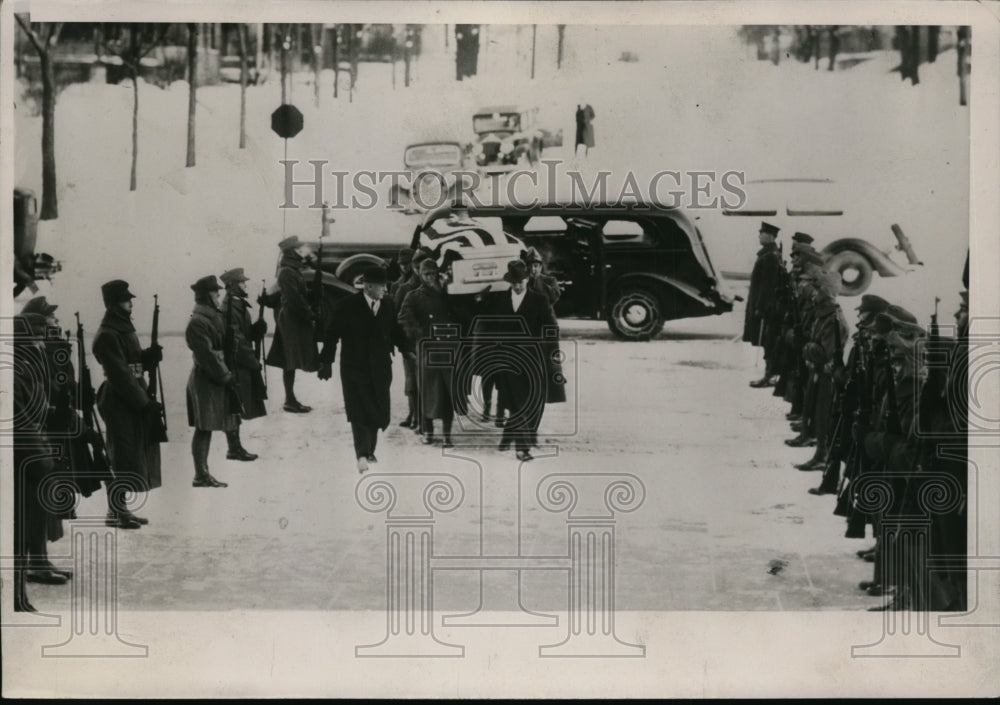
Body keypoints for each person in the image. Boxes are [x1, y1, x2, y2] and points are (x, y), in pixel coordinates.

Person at [319, 266, 413, 473]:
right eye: (382, 286)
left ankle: (369, 450)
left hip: (380, 368)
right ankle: (362, 454)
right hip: (355, 368)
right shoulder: (347, 306)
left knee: (376, 410)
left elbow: (395, 331)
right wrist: (326, 362)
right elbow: (331, 334)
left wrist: (407, 350)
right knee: (359, 411)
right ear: (369, 286)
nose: (385, 290)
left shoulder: (387, 305)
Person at [92, 280, 162, 528]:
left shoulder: (122, 329)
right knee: (120, 454)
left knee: (129, 453)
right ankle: (116, 511)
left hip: (130, 395)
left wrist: (147, 357)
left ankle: (120, 509)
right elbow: (120, 373)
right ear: (113, 305)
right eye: (125, 300)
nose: (130, 303)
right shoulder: (107, 334)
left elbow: (131, 363)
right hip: (120, 397)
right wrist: (143, 403)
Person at [483, 260, 560, 461]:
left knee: (526, 403)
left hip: (533, 360)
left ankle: (511, 437)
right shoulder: (499, 301)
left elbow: (551, 328)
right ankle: (522, 448)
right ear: (510, 282)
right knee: (519, 403)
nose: (518, 285)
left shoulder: (539, 300)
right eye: (515, 282)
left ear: (527, 279)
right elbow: (490, 328)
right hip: (507, 361)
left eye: (522, 281)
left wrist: (551, 354)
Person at [398, 258, 459, 448]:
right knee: (426, 391)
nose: (430, 277)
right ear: (420, 275)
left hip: (447, 348)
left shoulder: (447, 293)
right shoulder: (414, 296)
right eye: (426, 274)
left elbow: (458, 312)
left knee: (448, 392)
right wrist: (420, 335)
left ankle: (447, 435)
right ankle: (428, 431)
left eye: (433, 273)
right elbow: (403, 317)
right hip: (427, 349)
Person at [185, 275, 236, 488]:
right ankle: (201, 475)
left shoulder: (212, 317)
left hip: (215, 376)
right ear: (206, 296)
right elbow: (207, 355)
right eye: (215, 292)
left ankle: (203, 473)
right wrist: (226, 376)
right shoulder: (198, 322)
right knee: (203, 426)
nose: (219, 296)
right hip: (207, 379)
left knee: (209, 425)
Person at [265, 235, 318, 413]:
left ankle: (291, 398)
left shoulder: (292, 270)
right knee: (290, 359)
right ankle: (289, 400)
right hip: (291, 320)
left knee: (290, 359)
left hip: (292, 318)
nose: (302, 250)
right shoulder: (287, 271)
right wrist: (309, 314)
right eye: (299, 248)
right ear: (292, 251)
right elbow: (293, 299)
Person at [220, 268, 268, 461]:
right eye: (241, 283)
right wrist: (253, 362)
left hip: (240, 363)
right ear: (232, 286)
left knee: (237, 405)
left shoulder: (236, 305)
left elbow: (243, 332)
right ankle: (234, 448)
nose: (245, 285)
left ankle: (235, 446)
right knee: (234, 404)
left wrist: (256, 330)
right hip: (236, 364)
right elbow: (237, 340)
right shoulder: (230, 307)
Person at [744, 221, 785, 387]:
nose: (759, 235)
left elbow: (767, 286)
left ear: (770, 236)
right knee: (767, 341)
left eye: (761, 233)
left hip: (766, 308)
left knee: (768, 341)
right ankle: (770, 375)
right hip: (765, 306)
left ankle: (769, 376)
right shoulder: (769, 254)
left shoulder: (769, 256)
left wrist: (760, 307)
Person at [393, 248, 424, 430]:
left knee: (419, 379)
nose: (405, 267)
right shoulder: (401, 286)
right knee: (411, 379)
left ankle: (417, 415)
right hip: (408, 339)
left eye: (407, 264)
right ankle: (413, 413)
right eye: (402, 264)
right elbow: (397, 315)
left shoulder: (421, 284)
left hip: (421, 339)